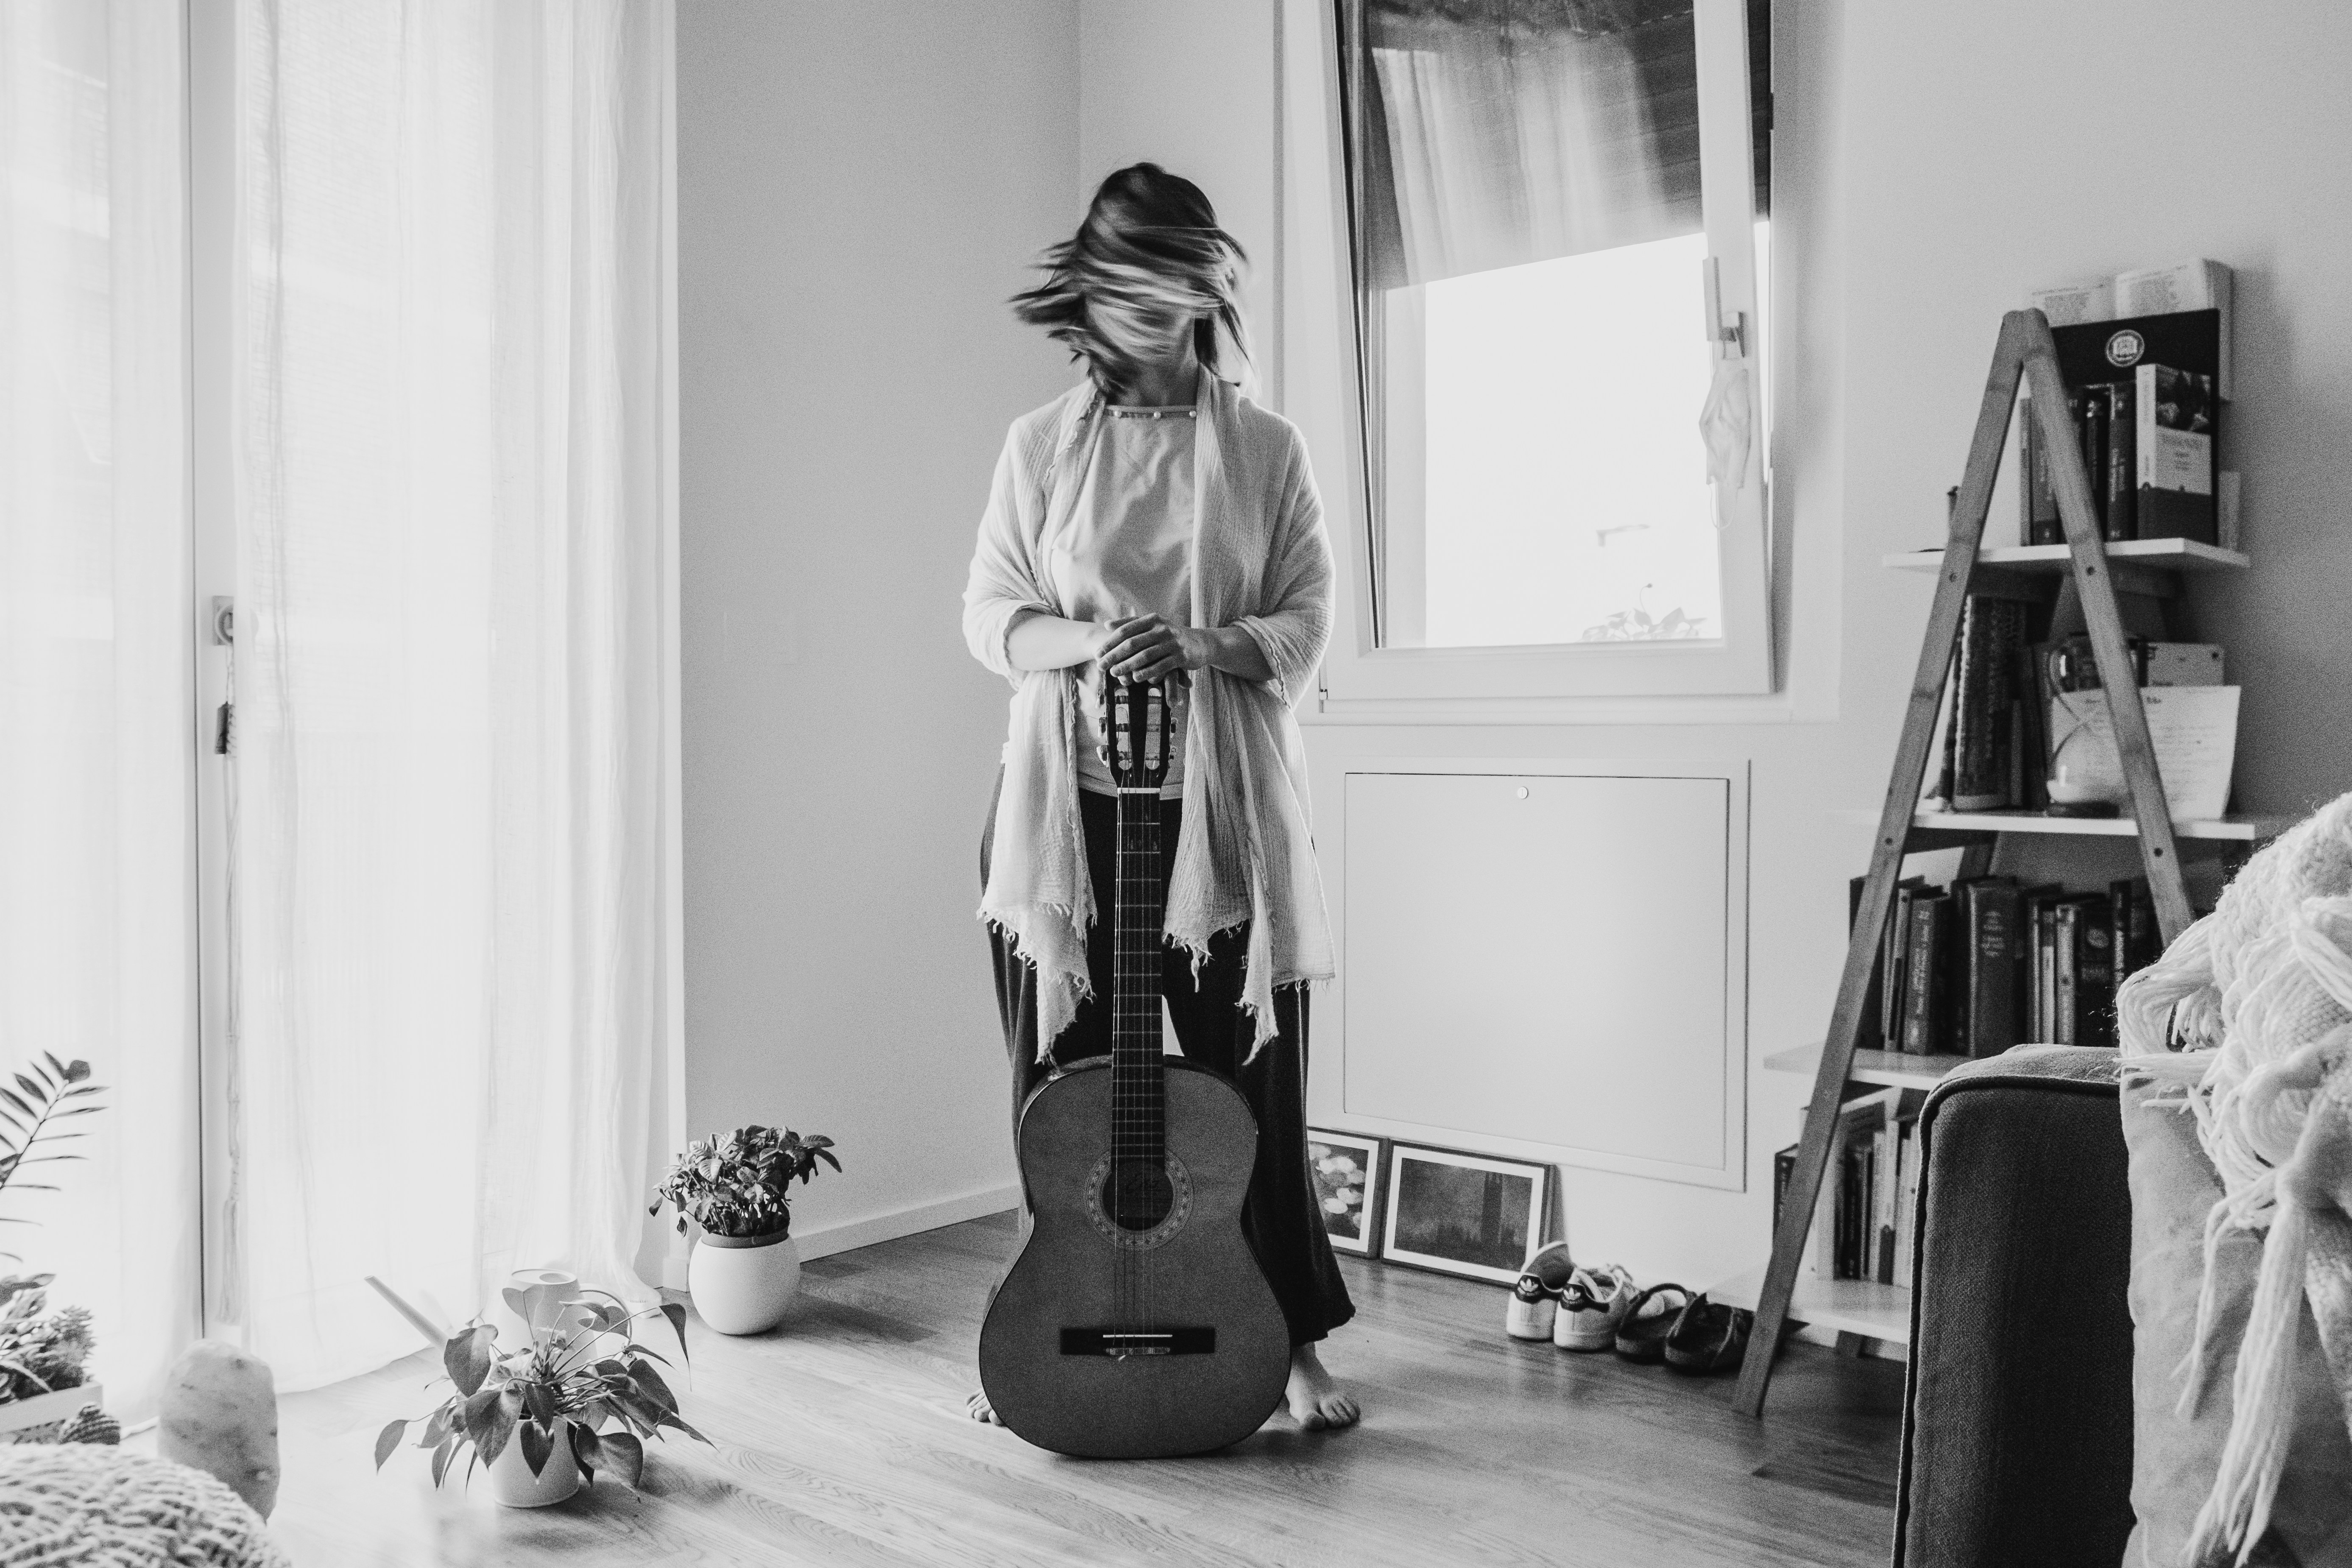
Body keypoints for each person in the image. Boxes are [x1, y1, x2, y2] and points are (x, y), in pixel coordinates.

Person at [961, 164, 1358, 1432]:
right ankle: (1041, 1328)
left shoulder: (1265, 449)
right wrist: (1089, 643)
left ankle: (1288, 1335)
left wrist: (1194, 646)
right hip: (1059, 815)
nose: (1145, 312)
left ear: (1202, 288)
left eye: (1168, 285)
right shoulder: (1036, 446)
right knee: (1055, 1082)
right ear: (1091, 291)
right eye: (1123, 287)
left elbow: (1304, 623)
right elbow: (987, 619)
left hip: (1217, 814)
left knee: (1254, 1074)